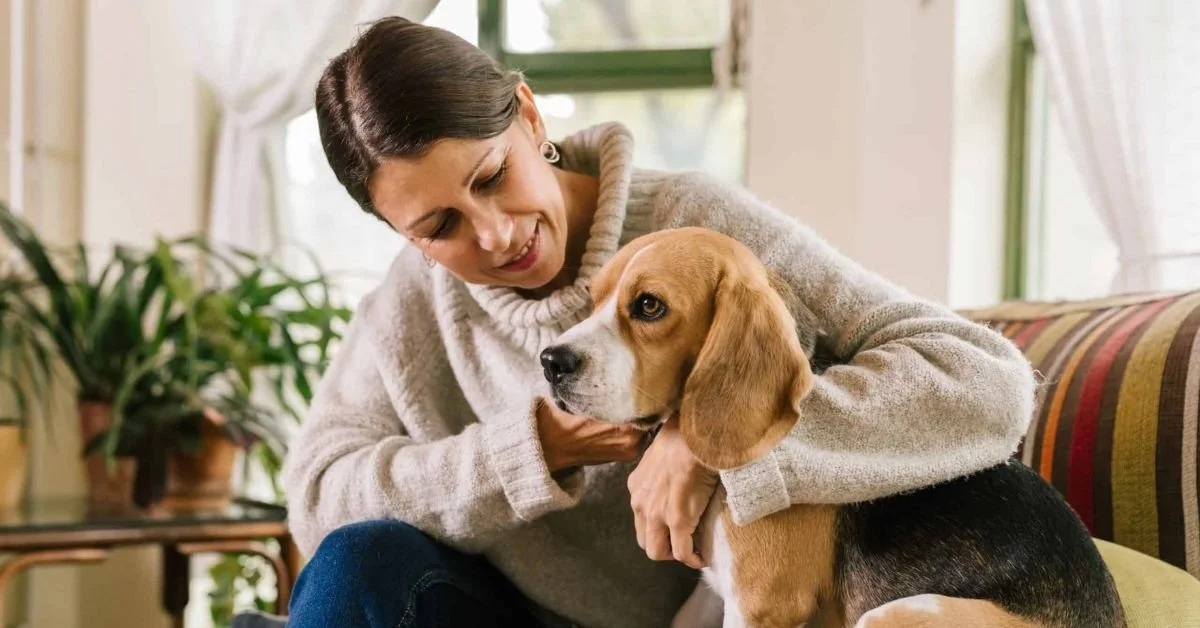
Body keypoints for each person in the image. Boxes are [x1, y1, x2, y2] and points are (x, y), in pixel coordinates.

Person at [270, 15, 1036, 628]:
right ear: (401, 234)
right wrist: (525, 455)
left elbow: (986, 383)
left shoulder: (693, 231)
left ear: (529, 115)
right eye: (440, 226)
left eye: (493, 178)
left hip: (711, 604)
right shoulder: (415, 299)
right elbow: (315, 494)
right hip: (494, 611)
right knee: (355, 566)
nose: (496, 234)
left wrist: (709, 439)